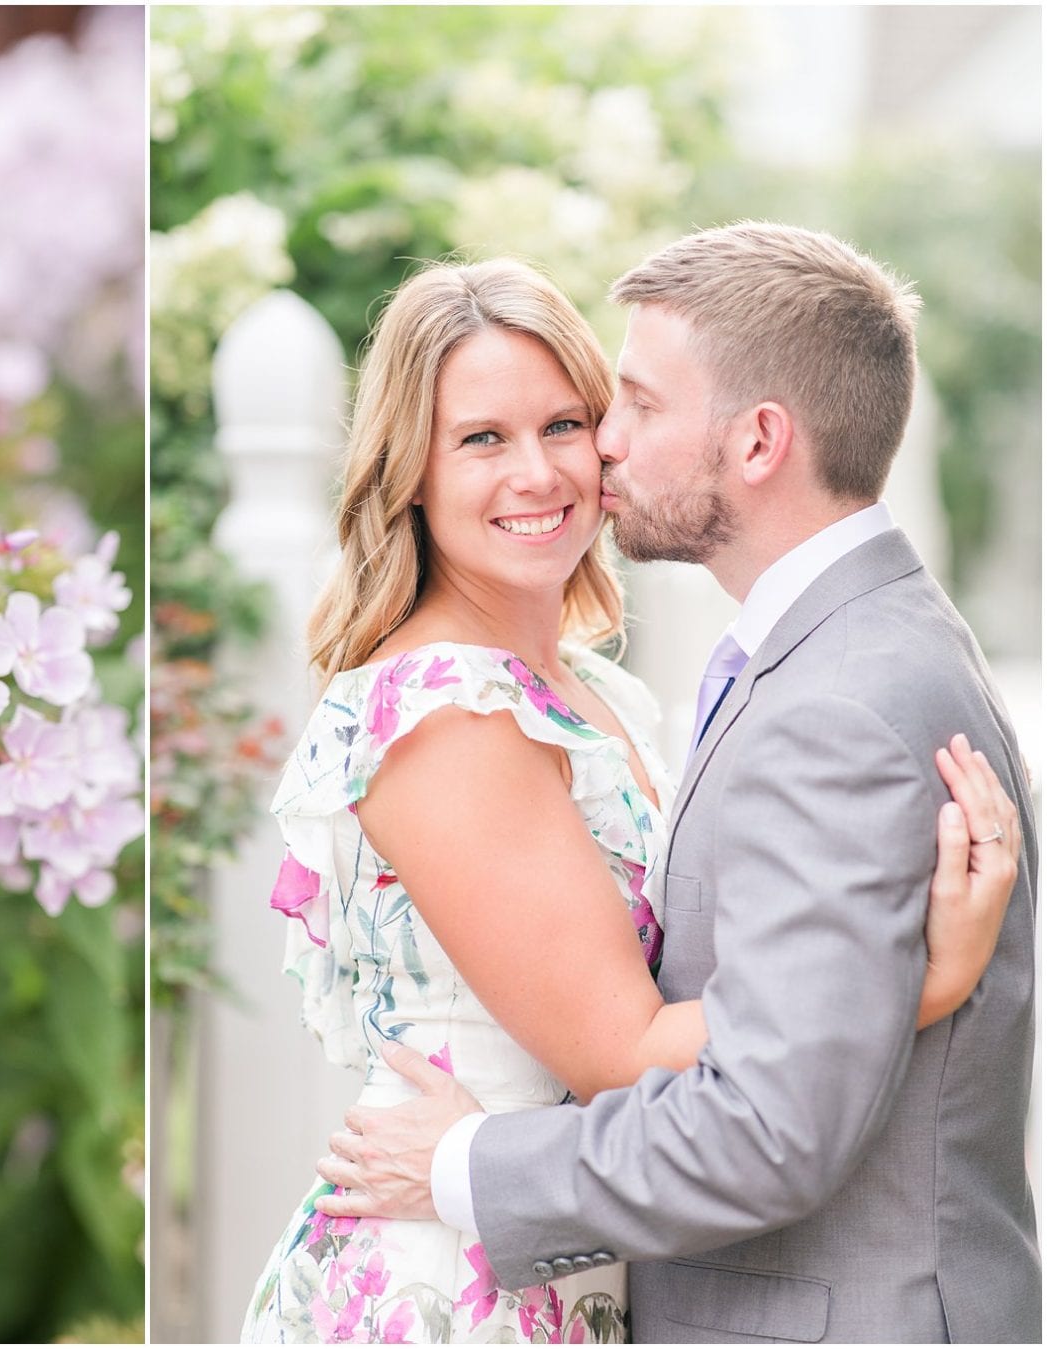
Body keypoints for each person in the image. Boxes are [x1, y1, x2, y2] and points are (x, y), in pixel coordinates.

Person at [240, 243, 1027, 1344]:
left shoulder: (592, 690)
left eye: (573, 420)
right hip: (461, 1276)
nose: (557, 466)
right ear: (409, 468)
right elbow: (623, 1043)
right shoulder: (447, 714)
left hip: (560, 1245)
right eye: (481, 439)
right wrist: (920, 979)